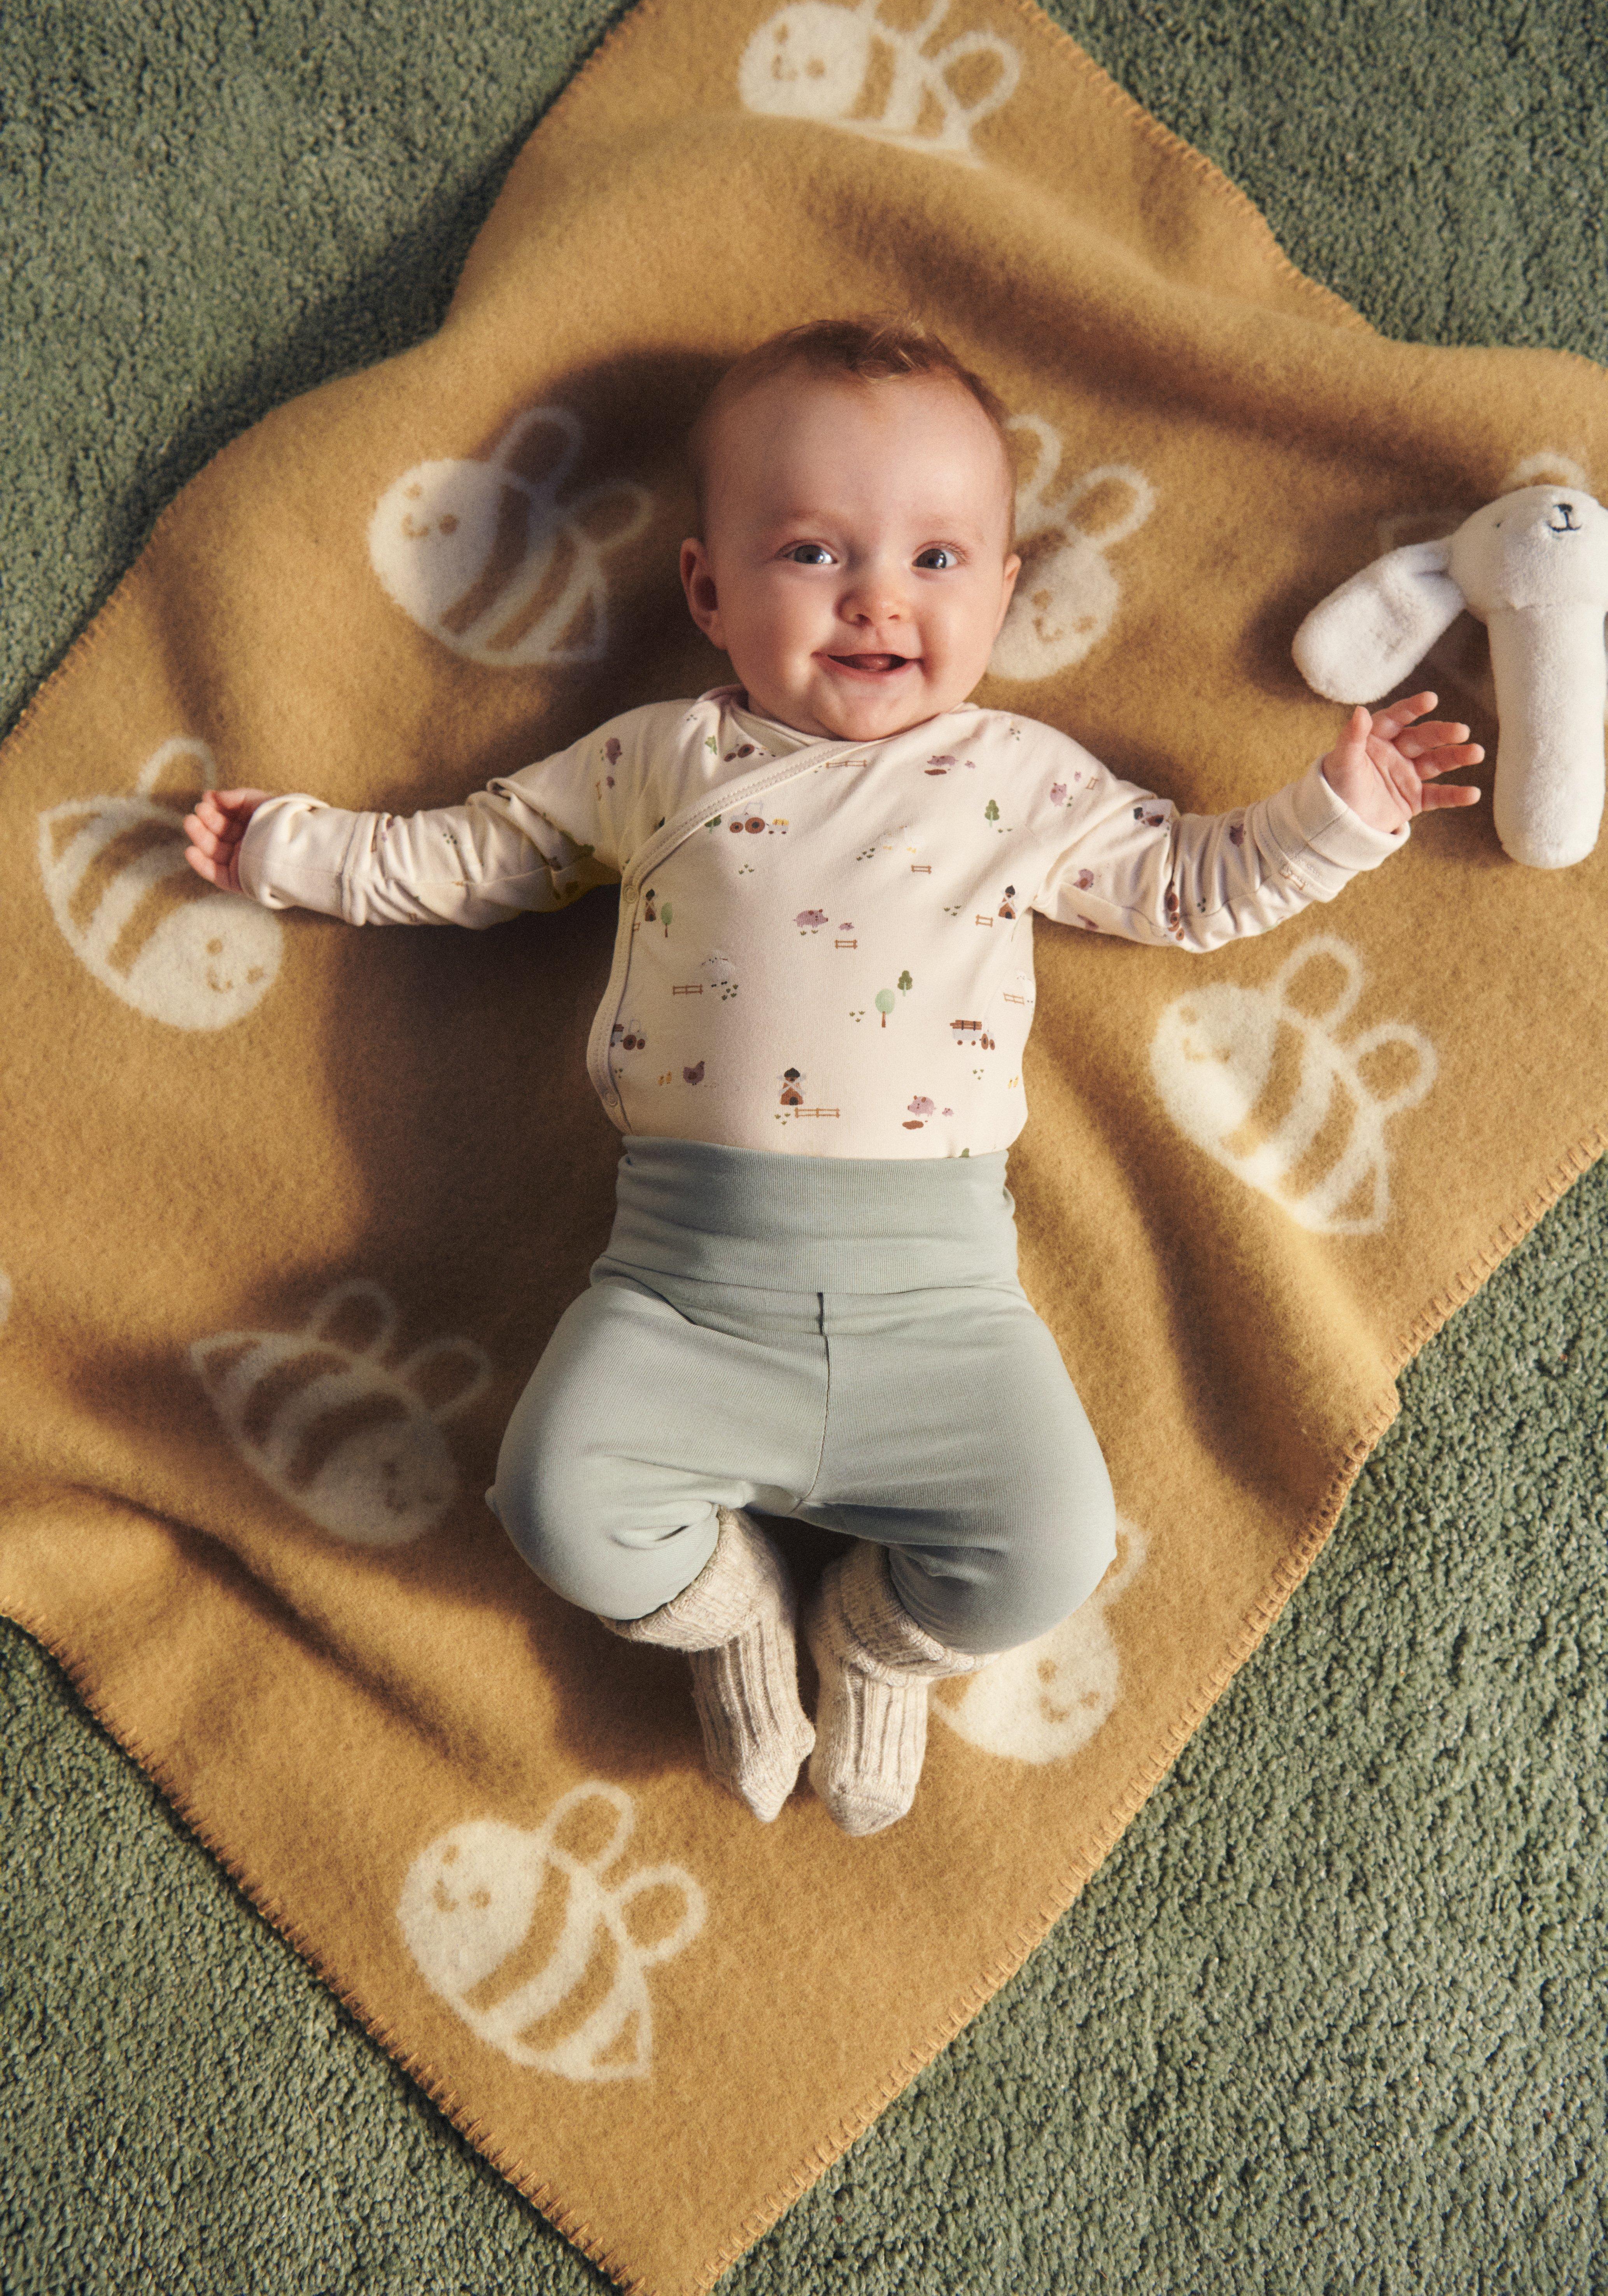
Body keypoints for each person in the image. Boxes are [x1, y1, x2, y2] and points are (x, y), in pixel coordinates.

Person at [183, 319, 1483, 1837]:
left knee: (1049, 1548)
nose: (878, 595)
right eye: (813, 552)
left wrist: (1336, 811)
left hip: (938, 1309)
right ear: (707, 589)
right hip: (678, 1291)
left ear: (1002, 593)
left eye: (939, 559)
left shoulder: (1019, 777)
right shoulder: (660, 759)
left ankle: (870, 1640)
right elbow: (477, 854)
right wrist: (297, 849)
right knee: (554, 1503)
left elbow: (1185, 888)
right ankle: (733, 1612)